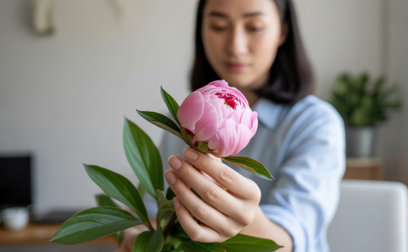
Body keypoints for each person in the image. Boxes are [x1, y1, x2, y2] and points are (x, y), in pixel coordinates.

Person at [116, 0, 345, 251]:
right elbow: (151, 210)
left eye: (255, 26)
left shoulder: (314, 123)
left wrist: (249, 222)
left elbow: (293, 236)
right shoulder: (187, 120)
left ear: (283, 31)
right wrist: (134, 234)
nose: (235, 46)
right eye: (218, 26)